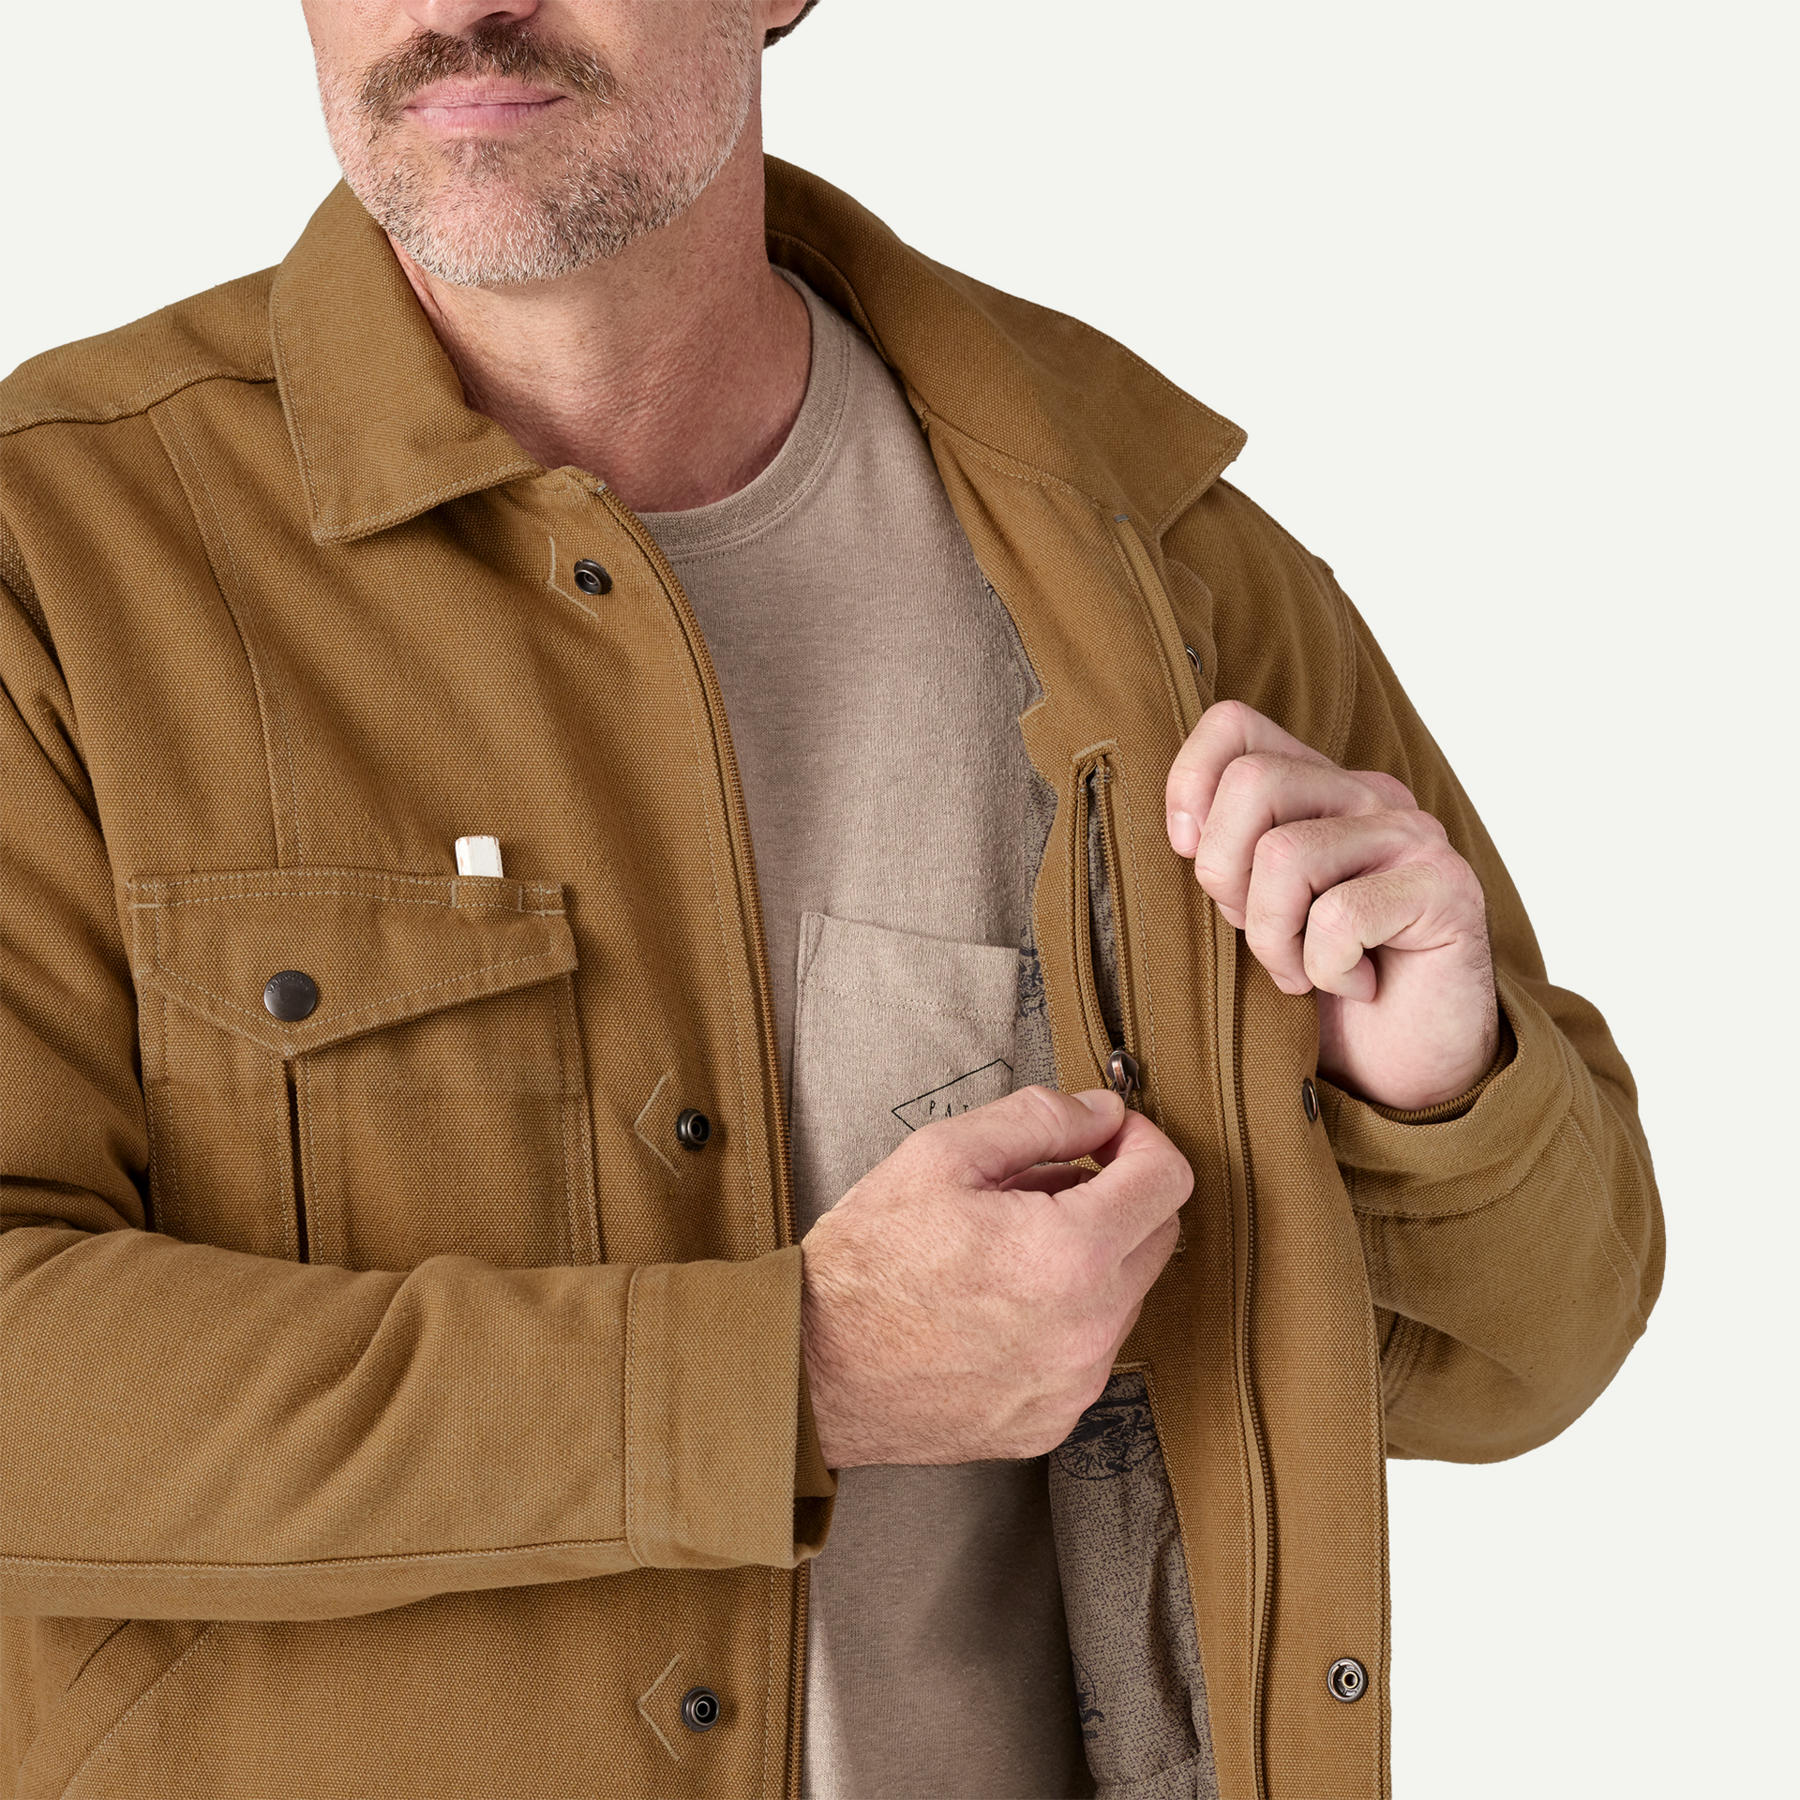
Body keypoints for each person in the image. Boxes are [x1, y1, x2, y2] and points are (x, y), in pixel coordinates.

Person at [0, 2, 1663, 1795]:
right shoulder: (60, 561)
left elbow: (1532, 1360)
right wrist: (778, 1376)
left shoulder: (1145, 561)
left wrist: (1429, 1094)